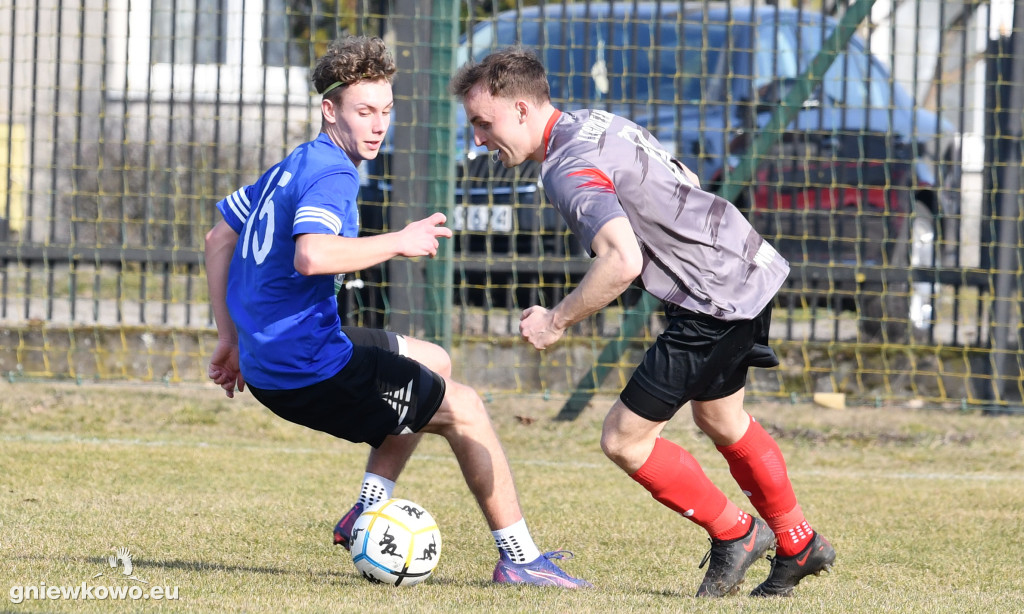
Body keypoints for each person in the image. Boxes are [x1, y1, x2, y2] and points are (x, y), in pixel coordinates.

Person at [204, 36, 590, 589]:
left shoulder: (297, 161)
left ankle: (366, 509)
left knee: (432, 363)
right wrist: (399, 240)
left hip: (280, 352)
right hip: (308, 367)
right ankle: (520, 559)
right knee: (466, 409)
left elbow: (220, 237)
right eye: (364, 111)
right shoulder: (333, 174)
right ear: (329, 110)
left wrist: (230, 338)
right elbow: (312, 255)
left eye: (386, 110)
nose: (378, 124)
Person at [450, 47, 835, 598]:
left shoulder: (565, 168)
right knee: (723, 421)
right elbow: (685, 174)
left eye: (483, 123)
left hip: (712, 298)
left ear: (519, 109)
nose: (479, 140)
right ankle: (798, 544)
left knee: (625, 440)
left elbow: (621, 262)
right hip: (748, 265)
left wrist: (556, 321)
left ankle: (737, 535)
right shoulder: (595, 120)